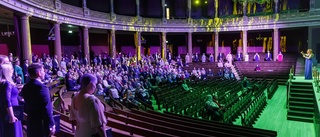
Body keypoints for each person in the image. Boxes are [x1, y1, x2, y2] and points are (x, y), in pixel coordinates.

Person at [21, 63, 56, 137]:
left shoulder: (26, 87)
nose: (44, 72)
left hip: (31, 121)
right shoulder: (42, 87)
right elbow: (47, 107)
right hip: (41, 123)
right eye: (43, 71)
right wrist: (51, 124)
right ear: (39, 73)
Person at [0, 60, 23, 137]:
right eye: (11, 69)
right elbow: (7, 100)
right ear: (6, 71)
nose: (13, 71)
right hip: (12, 111)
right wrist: (12, 116)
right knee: (13, 132)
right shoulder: (7, 83)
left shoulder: (3, 82)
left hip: (6, 111)